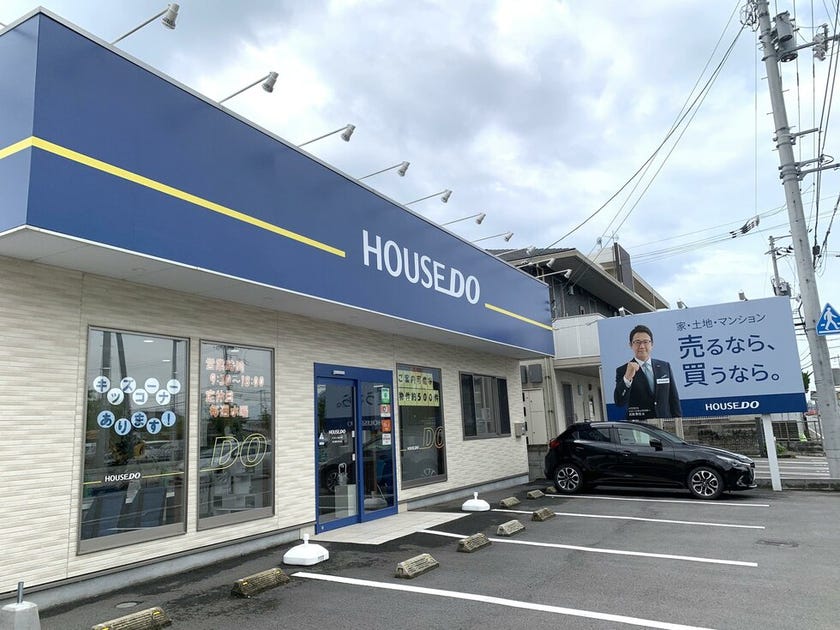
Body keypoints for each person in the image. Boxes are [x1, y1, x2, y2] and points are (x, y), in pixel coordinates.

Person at [613, 324, 681, 421]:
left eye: (646, 342)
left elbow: (674, 398)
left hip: (665, 423)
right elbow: (619, 402)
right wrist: (627, 378)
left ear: (652, 344)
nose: (642, 346)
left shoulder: (664, 366)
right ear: (631, 345)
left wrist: (678, 422)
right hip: (640, 426)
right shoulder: (623, 370)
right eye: (637, 342)